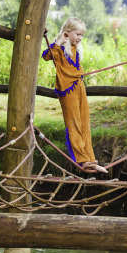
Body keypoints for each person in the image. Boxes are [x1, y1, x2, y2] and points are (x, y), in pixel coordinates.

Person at [42, 17, 108, 173]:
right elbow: (46, 56)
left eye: (82, 35)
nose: (80, 38)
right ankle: (82, 159)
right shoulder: (59, 48)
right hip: (67, 88)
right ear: (68, 32)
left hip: (79, 85)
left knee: (84, 121)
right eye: (77, 34)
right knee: (74, 123)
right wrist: (59, 40)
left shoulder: (76, 48)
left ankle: (90, 159)